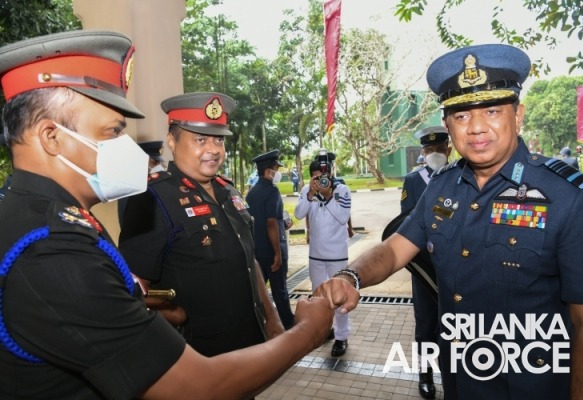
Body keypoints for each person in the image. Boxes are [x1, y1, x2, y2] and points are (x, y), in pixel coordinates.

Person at [0, 31, 334, 399]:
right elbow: (195, 387)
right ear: (51, 137)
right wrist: (307, 332)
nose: (126, 147)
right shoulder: (53, 248)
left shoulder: (48, 220)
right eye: (112, 132)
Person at [314, 43, 583, 400]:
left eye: (492, 111)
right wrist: (350, 277)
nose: (477, 128)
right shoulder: (441, 188)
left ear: (518, 115)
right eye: (462, 116)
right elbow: (393, 249)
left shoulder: (568, 198)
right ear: (447, 124)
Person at [119, 93, 291, 358]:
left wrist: (272, 316)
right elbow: (132, 289)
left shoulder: (229, 191)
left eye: (219, 140)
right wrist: (174, 318)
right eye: (200, 139)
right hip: (198, 357)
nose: (214, 149)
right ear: (172, 141)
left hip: (251, 340)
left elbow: (248, 259)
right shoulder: (152, 199)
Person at [400, 125, 451, 399]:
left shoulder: (461, 176)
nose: (435, 154)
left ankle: (452, 375)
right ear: (423, 153)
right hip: (424, 266)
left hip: (455, 266)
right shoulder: (413, 180)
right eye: (430, 150)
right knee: (426, 322)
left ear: (449, 150)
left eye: (440, 149)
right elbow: (406, 223)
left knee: (453, 323)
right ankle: (425, 375)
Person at [294, 156, 352, 357]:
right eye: (316, 178)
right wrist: (310, 194)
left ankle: (342, 337)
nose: (320, 181)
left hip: (337, 255)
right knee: (319, 297)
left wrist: (327, 196)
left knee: (340, 297)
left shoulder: (342, 190)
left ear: (330, 174)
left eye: (323, 177)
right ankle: (326, 329)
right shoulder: (307, 190)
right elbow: (299, 214)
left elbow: (343, 217)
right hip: (316, 256)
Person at [246, 149, 296, 330]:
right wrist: (277, 253)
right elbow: (271, 223)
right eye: (276, 169)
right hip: (272, 251)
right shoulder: (272, 191)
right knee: (280, 291)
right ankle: (288, 326)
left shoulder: (252, 193)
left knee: (259, 292)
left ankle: (258, 326)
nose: (278, 172)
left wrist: (283, 223)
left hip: (258, 250)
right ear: (269, 171)